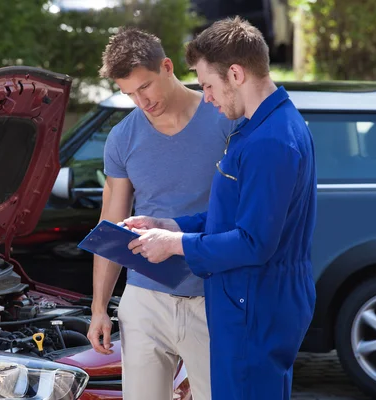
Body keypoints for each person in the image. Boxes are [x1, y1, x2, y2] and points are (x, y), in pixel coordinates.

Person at [123, 17, 317, 400]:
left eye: (208, 85)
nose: (207, 97)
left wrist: (175, 245)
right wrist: (171, 225)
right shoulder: (258, 128)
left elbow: (253, 242)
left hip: (254, 307)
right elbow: (233, 215)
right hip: (250, 303)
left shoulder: (270, 142)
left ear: (236, 73)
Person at [85, 27, 242, 400]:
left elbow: (243, 215)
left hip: (212, 297)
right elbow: (110, 227)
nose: (141, 101)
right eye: (129, 94)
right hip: (145, 300)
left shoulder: (224, 118)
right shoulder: (123, 138)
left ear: (167, 67)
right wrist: (99, 309)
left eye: (146, 87)